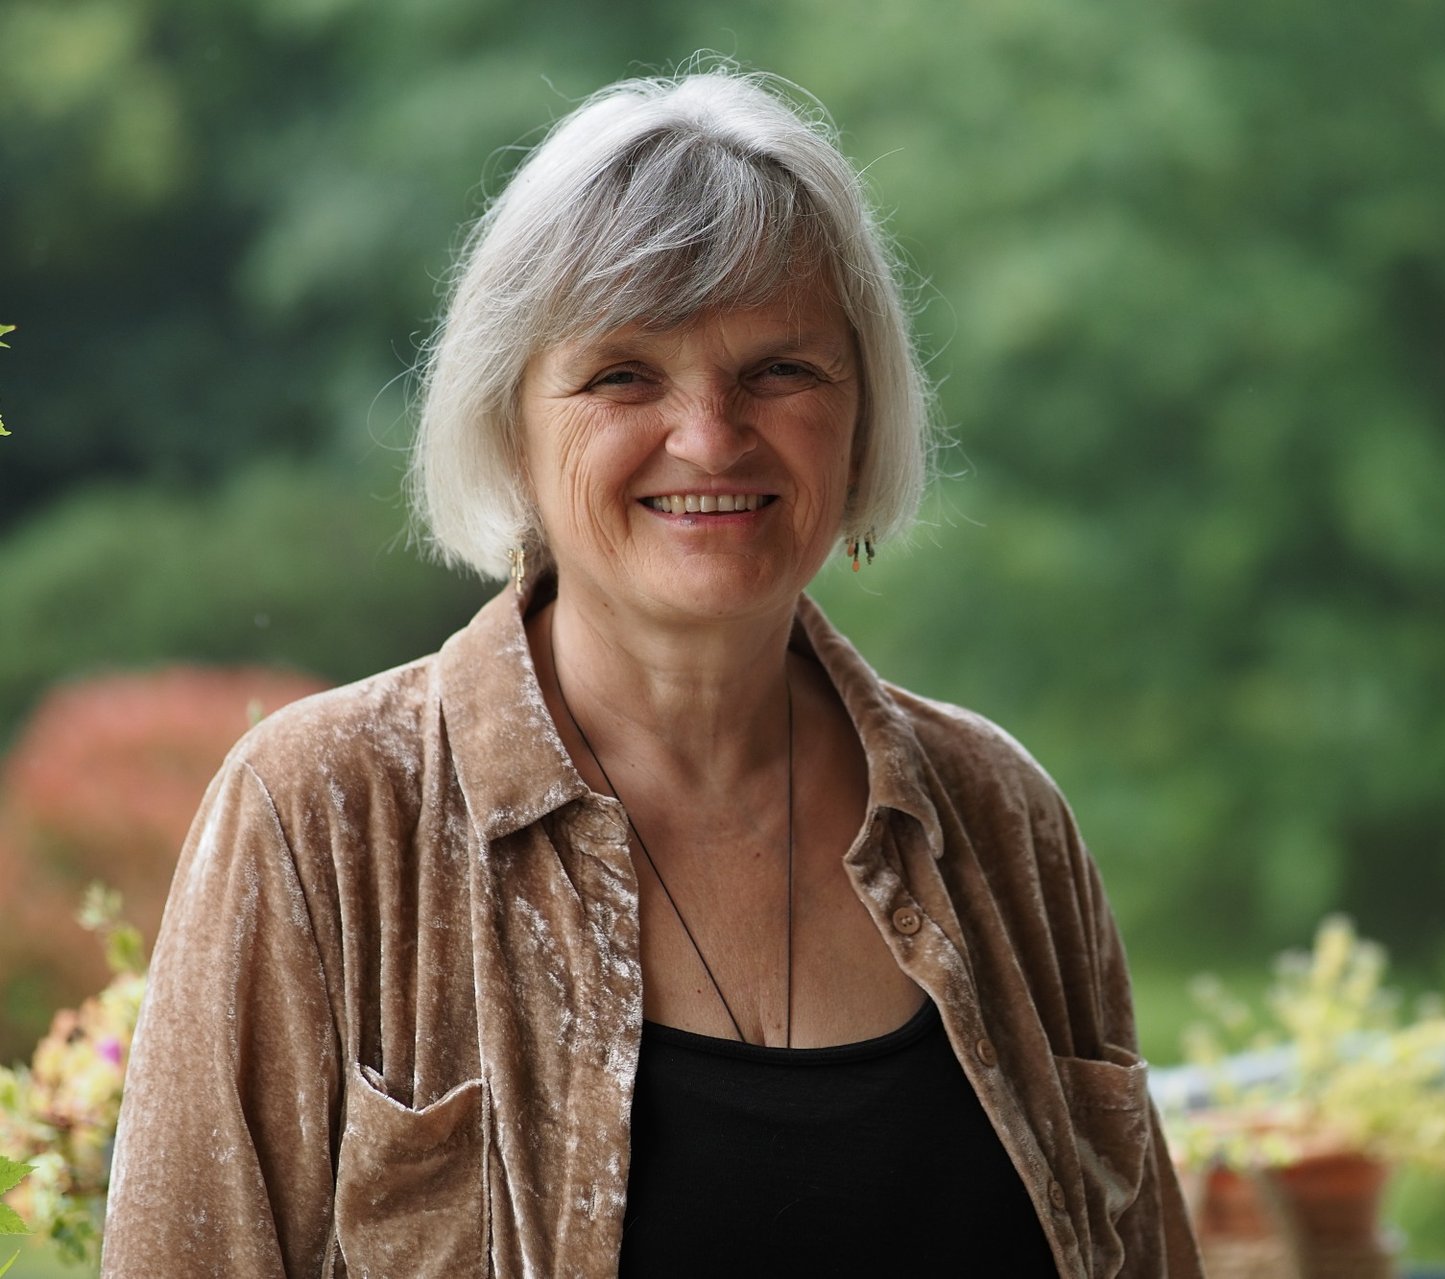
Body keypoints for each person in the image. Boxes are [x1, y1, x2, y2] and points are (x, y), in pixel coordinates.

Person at [101, 68, 1202, 1278]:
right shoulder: (324, 822)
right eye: (625, 374)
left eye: (780, 369)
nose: (711, 436)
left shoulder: (1003, 821)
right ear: (510, 423)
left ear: (864, 411)